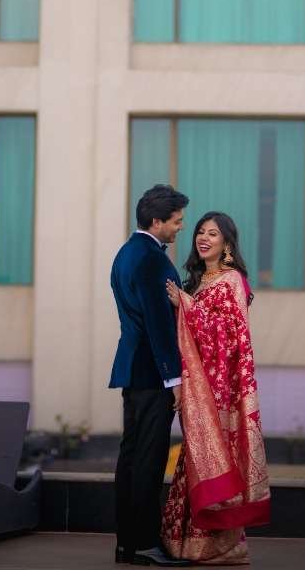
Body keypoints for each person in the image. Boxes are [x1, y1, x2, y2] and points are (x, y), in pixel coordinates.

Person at [161, 212, 270, 566]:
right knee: (194, 458)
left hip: (218, 390)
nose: (204, 238)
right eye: (200, 232)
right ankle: (185, 544)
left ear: (227, 243)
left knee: (214, 459)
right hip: (196, 385)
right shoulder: (198, 282)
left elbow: (232, 336)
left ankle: (223, 546)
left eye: (213, 233)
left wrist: (186, 305)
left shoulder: (232, 279)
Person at [110, 184, 191, 567]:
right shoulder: (152, 259)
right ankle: (143, 543)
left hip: (134, 370)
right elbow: (159, 324)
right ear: (157, 221)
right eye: (176, 221)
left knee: (131, 458)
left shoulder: (126, 253)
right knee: (148, 460)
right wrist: (173, 379)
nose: (181, 227)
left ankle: (128, 544)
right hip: (153, 374)